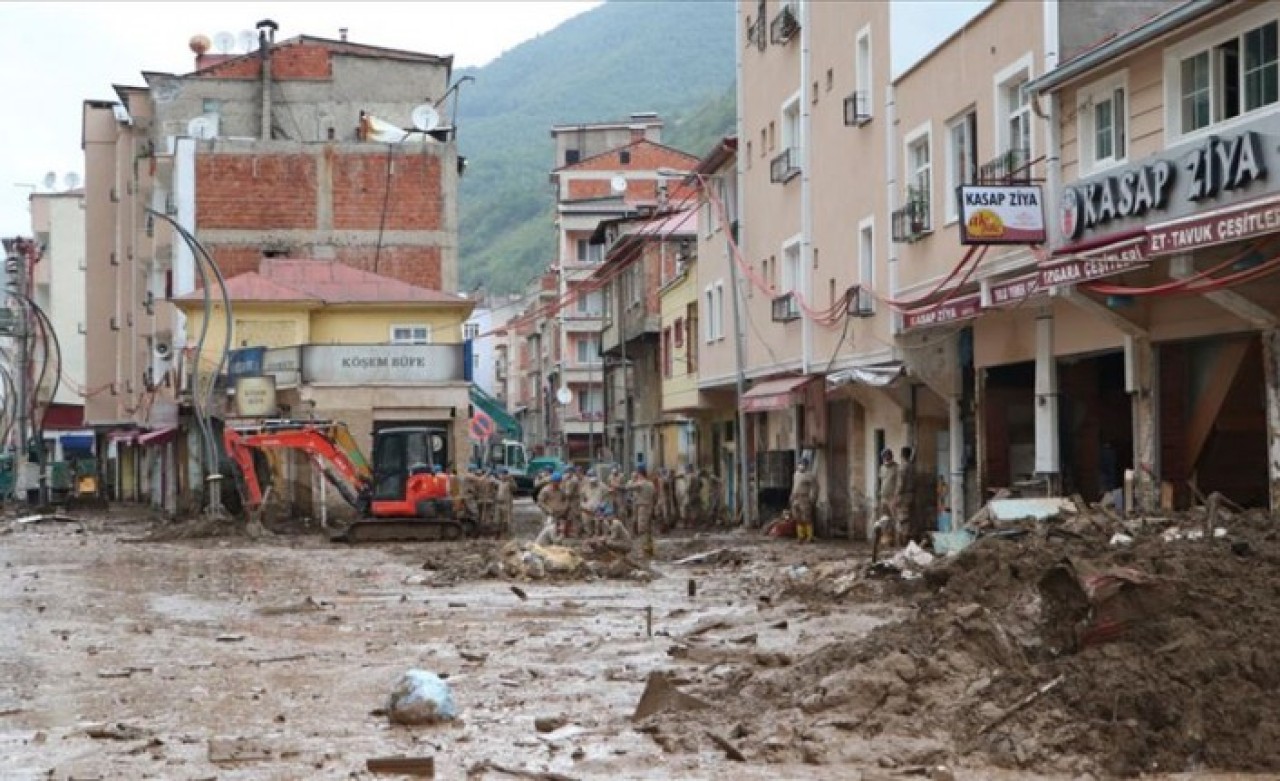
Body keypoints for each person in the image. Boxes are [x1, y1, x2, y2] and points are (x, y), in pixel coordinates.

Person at [877, 448, 901, 546]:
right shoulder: (882, 468)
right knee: (884, 519)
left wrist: (896, 496)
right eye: (884, 456)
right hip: (883, 497)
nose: (886, 458)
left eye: (888, 456)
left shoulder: (896, 468)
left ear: (891, 456)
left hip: (892, 497)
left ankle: (898, 540)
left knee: (895, 519)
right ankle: (887, 539)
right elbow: (881, 481)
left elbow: (899, 484)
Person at [536, 472, 571, 538]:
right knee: (548, 529)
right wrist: (548, 509)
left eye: (559, 482)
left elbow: (565, 499)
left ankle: (555, 543)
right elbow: (540, 502)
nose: (558, 484)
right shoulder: (545, 490)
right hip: (548, 514)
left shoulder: (561, 490)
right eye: (557, 482)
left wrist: (564, 507)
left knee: (557, 530)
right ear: (552, 481)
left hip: (559, 514)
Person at [790, 457, 816, 543]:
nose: (801, 466)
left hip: (805, 498)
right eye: (800, 464)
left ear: (806, 466)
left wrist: (812, 498)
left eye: (803, 464)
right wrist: (792, 497)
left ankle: (809, 536)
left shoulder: (810, 475)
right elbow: (794, 487)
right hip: (796, 498)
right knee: (798, 518)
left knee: (807, 517)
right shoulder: (796, 474)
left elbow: (814, 488)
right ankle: (800, 536)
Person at [628, 467, 657, 544]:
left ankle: (644, 546)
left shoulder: (641, 483)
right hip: (650, 506)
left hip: (642, 507)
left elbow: (628, 487)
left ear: (640, 474)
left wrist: (633, 480)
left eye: (638, 474)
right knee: (648, 528)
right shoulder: (651, 483)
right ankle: (649, 546)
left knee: (642, 528)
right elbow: (654, 495)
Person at [896, 446, 918, 544]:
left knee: (903, 517)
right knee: (912, 517)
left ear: (902, 455)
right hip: (912, 494)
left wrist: (896, 495)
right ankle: (912, 537)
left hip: (904, 495)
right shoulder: (912, 466)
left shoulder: (903, 467)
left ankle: (905, 538)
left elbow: (900, 484)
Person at [494, 468, 514, 538]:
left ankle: (507, 535)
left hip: (506, 503)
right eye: (499, 474)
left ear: (505, 475)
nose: (500, 476)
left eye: (502, 474)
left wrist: (511, 478)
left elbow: (514, 488)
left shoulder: (509, 483)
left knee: (506, 520)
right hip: (498, 503)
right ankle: (498, 534)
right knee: (497, 520)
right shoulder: (499, 483)